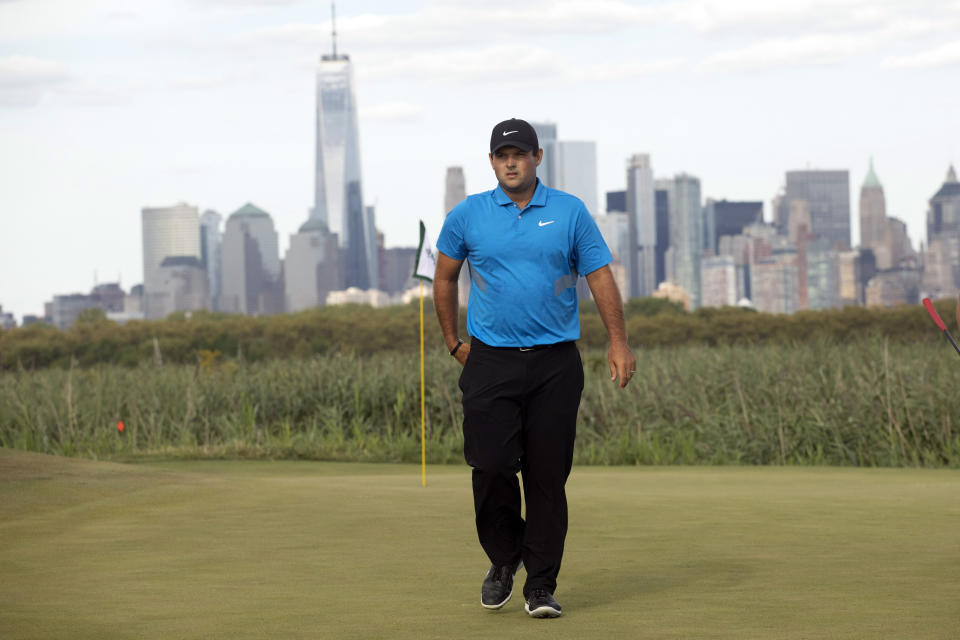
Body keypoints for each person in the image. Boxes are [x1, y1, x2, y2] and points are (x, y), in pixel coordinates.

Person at [434, 118, 636, 619]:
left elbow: (599, 276)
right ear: (491, 162)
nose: (510, 162)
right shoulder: (468, 214)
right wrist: (453, 342)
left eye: (519, 154)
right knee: (492, 467)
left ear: (537, 158)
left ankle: (540, 585)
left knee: (547, 478)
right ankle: (504, 561)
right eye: (502, 155)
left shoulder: (569, 212)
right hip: (490, 360)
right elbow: (444, 277)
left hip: (555, 365)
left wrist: (619, 342)